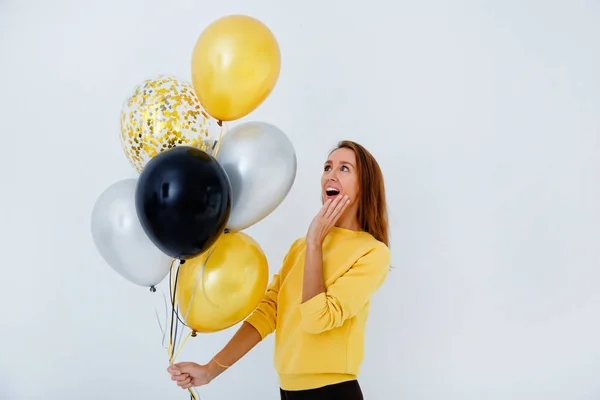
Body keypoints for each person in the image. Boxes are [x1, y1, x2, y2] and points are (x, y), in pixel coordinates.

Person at [167, 140, 391, 400]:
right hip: (288, 391)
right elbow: (268, 313)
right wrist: (210, 370)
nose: (331, 174)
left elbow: (316, 319)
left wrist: (315, 242)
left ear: (365, 185)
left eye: (344, 168)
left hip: (333, 392)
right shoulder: (301, 247)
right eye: (327, 167)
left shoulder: (371, 252)